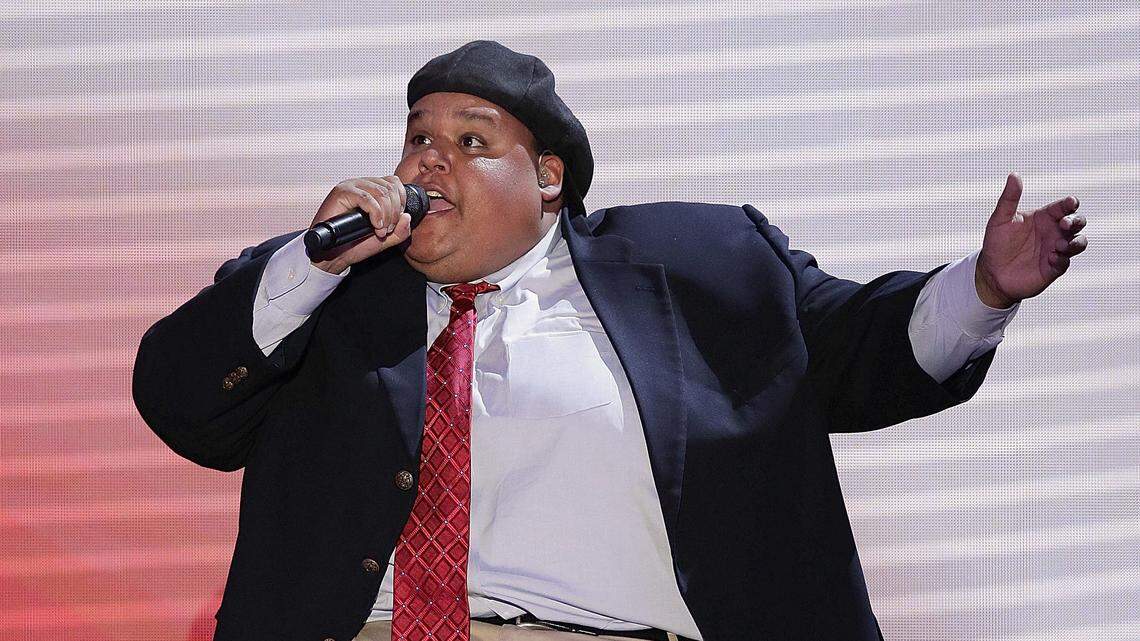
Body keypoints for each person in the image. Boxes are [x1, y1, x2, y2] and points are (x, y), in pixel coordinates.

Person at [132, 41, 1088, 641]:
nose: (429, 159)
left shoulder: (700, 263)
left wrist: (985, 287)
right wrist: (312, 262)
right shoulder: (322, 293)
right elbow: (179, 401)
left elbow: (866, 351)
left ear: (548, 176)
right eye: (417, 139)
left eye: (471, 141)